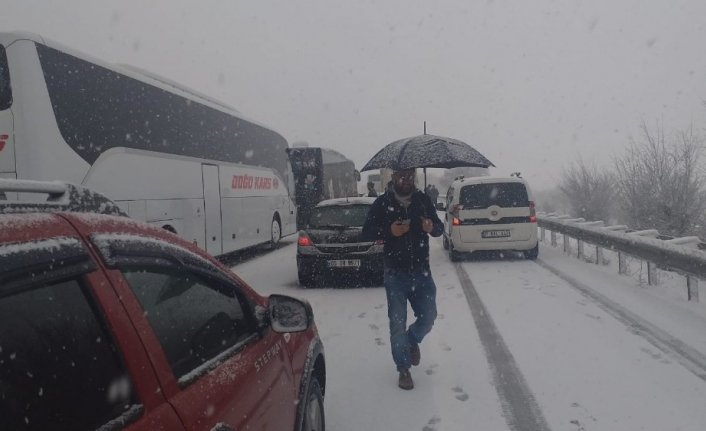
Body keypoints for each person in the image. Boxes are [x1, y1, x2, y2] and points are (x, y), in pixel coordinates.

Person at [362, 168, 444, 390]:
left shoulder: (423, 199)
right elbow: (367, 231)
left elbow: (439, 228)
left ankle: (412, 340)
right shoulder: (382, 202)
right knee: (396, 323)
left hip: (421, 271)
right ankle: (403, 368)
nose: (405, 180)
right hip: (395, 274)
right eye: (401, 176)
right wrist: (388, 231)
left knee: (429, 316)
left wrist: (431, 227)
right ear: (393, 177)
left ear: (414, 177)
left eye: (409, 176)